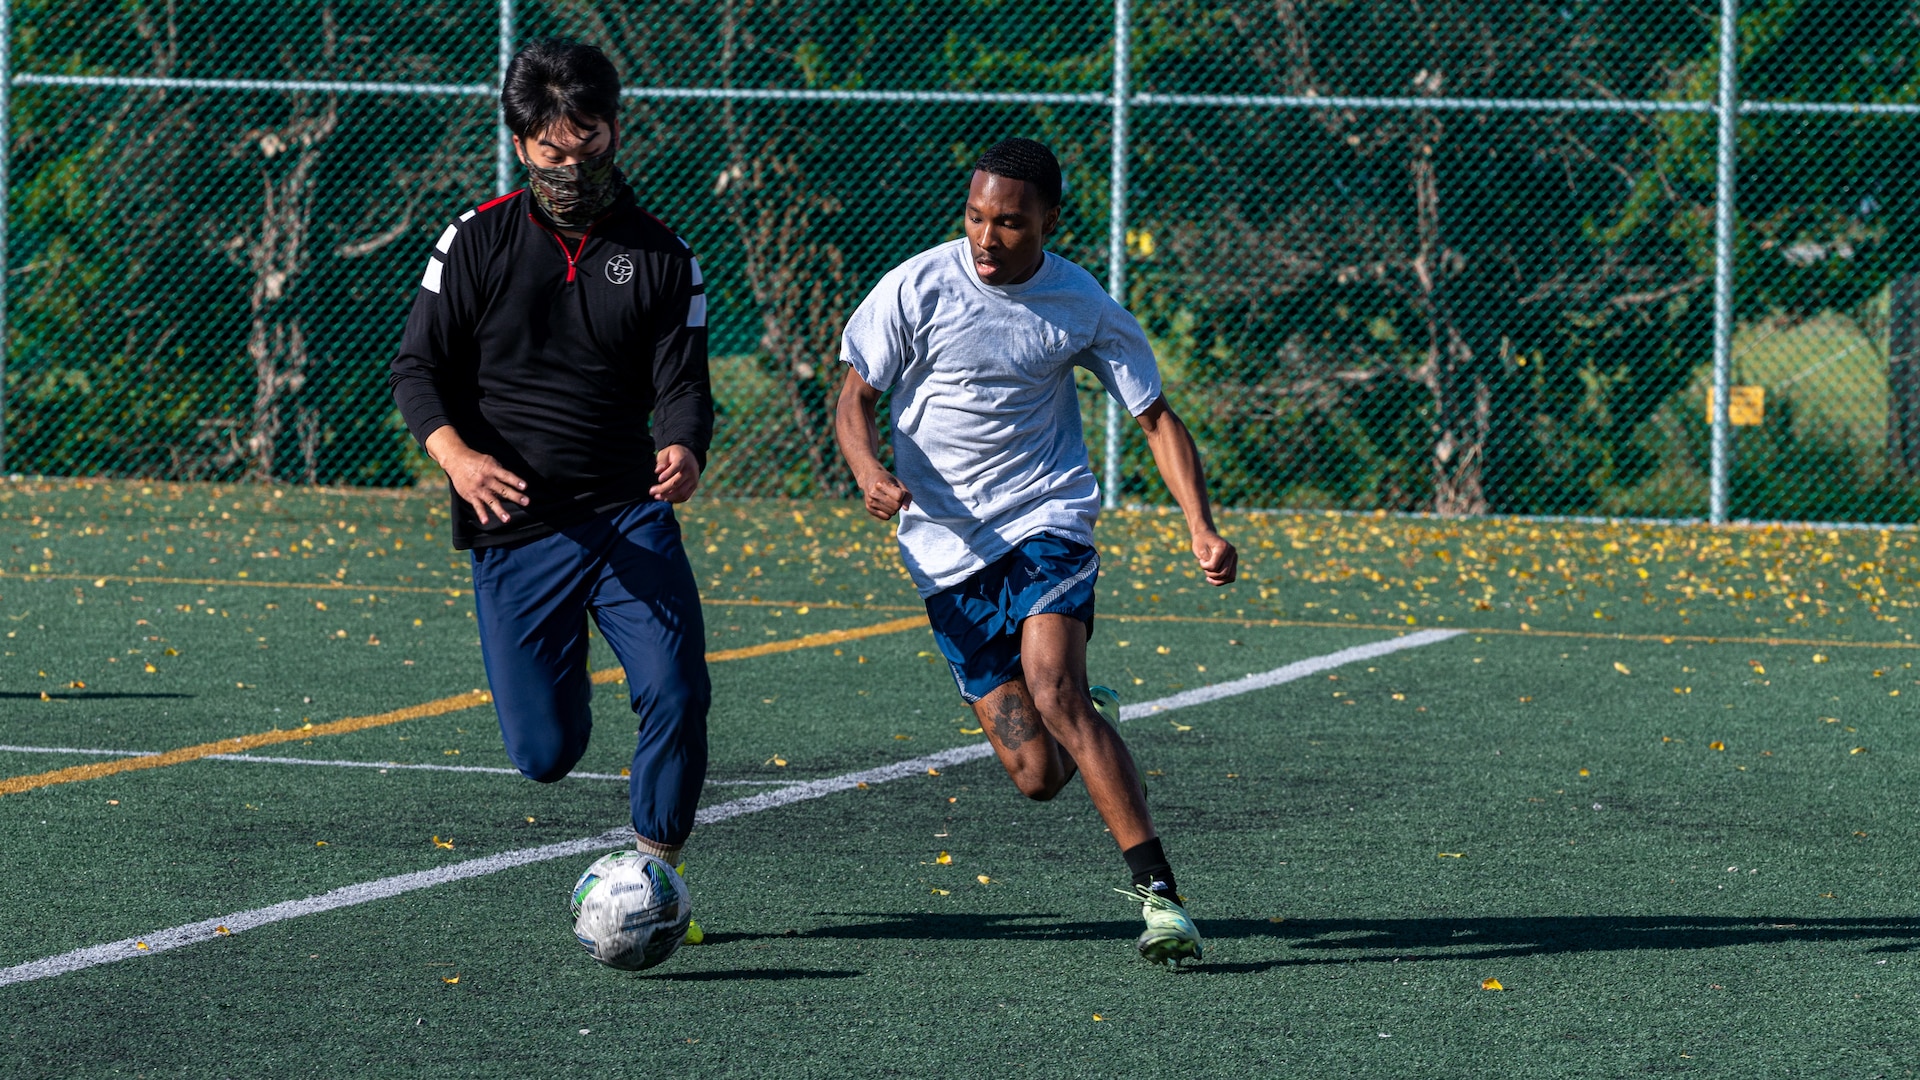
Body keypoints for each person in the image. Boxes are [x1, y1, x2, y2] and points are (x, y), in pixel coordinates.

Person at [834, 137, 1237, 967]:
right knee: (1036, 774)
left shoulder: (1079, 301)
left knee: (1056, 689)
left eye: (1010, 223)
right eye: (977, 217)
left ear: (1049, 221)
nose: (987, 237)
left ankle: (1162, 899)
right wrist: (869, 469)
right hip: (946, 552)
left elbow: (1155, 417)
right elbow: (853, 400)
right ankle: (1090, 722)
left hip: (1045, 520)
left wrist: (1199, 523)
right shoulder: (915, 286)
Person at [389, 39, 712, 944]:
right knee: (545, 755)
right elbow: (418, 367)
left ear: (616, 128)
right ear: (521, 144)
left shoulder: (663, 255)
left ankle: (654, 871)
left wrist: (682, 446)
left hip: (626, 516)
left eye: (589, 144)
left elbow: (684, 381)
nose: (572, 168)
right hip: (514, 528)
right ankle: (564, 703)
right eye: (551, 153)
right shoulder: (476, 238)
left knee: (679, 689)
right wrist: (454, 456)